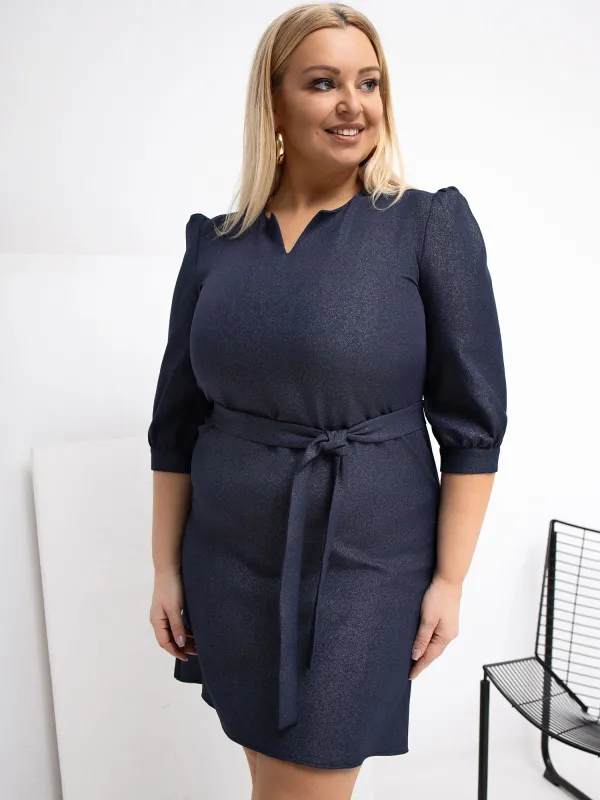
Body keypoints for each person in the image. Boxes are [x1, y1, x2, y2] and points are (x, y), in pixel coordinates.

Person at [147, 4, 508, 799]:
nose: (354, 104)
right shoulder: (216, 243)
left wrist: (449, 581)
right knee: (268, 775)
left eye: (369, 83)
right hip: (227, 557)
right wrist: (166, 568)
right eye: (323, 83)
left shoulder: (426, 225)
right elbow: (174, 424)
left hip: (363, 562)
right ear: (273, 102)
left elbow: (473, 426)